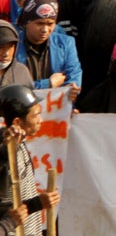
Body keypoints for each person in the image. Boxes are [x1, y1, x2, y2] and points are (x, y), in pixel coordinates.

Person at [0, 85, 60, 235]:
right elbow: (4, 205)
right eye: (35, 115)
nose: (40, 120)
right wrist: (37, 203)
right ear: (17, 122)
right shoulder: (7, 151)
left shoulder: (19, 144)